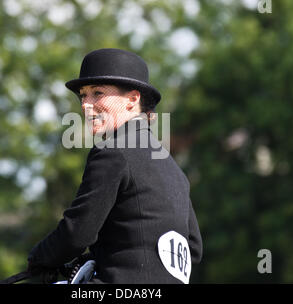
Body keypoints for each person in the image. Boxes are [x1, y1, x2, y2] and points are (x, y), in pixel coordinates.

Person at [27, 48, 202, 284]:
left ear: (132, 100)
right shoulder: (175, 171)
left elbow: (76, 233)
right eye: (83, 96)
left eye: (97, 93)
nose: (86, 105)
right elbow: (193, 249)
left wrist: (38, 258)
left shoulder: (113, 152)